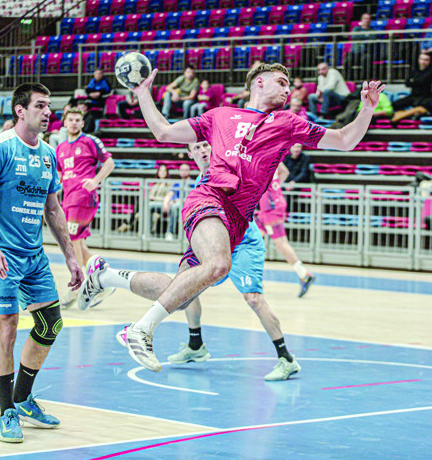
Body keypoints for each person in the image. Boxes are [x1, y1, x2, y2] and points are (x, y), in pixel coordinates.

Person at [87, 62, 382, 373]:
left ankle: (105, 277)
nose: (287, 89)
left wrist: (366, 109)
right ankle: (141, 330)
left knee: (181, 295)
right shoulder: (220, 115)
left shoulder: (287, 122)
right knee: (218, 264)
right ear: (259, 83)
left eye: (288, 84)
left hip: (238, 220)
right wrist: (143, 93)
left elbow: (345, 140)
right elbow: (163, 131)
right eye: (281, 82)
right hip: (210, 197)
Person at [80, 141, 303, 380]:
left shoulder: (229, 168)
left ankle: (286, 359)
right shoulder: (199, 185)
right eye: (197, 147)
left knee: (254, 299)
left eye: (206, 145)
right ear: (189, 153)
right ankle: (109, 279)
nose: (203, 150)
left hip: (243, 244)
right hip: (215, 244)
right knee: (181, 289)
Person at [0, 83, 84, 443]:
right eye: (40, 105)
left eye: (49, 106)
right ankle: (6, 411)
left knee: (50, 324)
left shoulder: (48, 154)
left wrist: (70, 256)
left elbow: (54, 209)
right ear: (20, 110)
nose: (48, 112)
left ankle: (22, 398)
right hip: (1, 254)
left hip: (34, 256)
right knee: (6, 328)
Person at [55, 106, 115, 308]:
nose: (73, 123)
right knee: (78, 244)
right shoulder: (60, 148)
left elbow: (109, 163)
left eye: (77, 120)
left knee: (72, 242)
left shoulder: (90, 141)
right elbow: (60, 175)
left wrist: (96, 180)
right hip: (68, 199)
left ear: (82, 123)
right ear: (64, 123)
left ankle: (77, 286)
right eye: (70, 119)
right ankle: (105, 281)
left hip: (83, 197)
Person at [256, 167, 316, 298]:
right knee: (255, 240)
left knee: (280, 243)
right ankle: (256, 278)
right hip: (273, 203)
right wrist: (274, 186)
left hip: (271, 207)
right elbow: (285, 171)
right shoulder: (274, 155)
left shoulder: (259, 157)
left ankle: (304, 274)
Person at [391, 52, 432, 121]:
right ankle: (403, 115)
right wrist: (416, 81)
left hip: (424, 97)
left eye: (426, 60)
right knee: (395, 104)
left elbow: (422, 81)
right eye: (422, 59)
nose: (423, 62)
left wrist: (414, 81)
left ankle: (402, 116)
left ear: (429, 61)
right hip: (413, 95)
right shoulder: (415, 71)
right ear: (419, 60)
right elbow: (407, 83)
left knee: (421, 105)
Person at [163, 163, 195, 240]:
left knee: (175, 207)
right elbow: (169, 194)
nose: (184, 172)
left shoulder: (193, 183)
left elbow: (192, 197)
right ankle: (147, 233)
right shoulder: (177, 183)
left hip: (187, 205)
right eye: (182, 170)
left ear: (189, 171)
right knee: (150, 205)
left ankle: (170, 232)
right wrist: (165, 204)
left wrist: (175, 201)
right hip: (175, 204)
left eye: (186, 170)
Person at [148, 164, 173, 236]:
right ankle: (147, 231)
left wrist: (156, 198)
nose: (162, 172)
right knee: (142, 204)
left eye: (164, 170)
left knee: (147, 206)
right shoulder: (155, 183)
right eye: (160, 170)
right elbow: (150, 195)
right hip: (154, 204)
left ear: (167, 172)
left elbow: (168, 197)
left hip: (163, 205)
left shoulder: (169, 184)